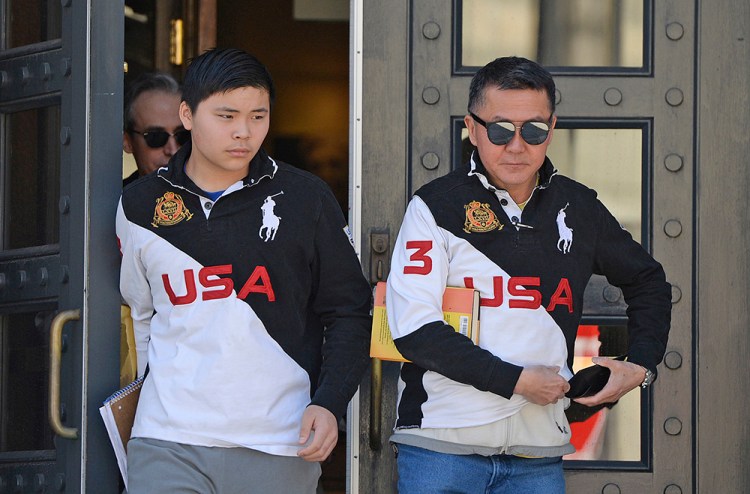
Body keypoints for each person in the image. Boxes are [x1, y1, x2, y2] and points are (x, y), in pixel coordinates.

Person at [386, 56, 671, 493]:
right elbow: (414, 330)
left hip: (537, 457)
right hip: (440, 449)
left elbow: (648, 280)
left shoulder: (579, 208)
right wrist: (517, 382)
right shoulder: (434, 206)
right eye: (501, 130)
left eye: (533, 131)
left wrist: (641, 365)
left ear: (551, 129)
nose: (517, 145)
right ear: (472, 127)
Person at [116, 48, 372, 493]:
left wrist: (329, 403)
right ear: (188, 115)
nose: (243, 132)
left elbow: (350, 311)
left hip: (278, 442)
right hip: (167, 440)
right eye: (227, 115)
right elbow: (140, 316)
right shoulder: (139, 206)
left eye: (258, 116)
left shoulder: (305, 199)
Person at [122, 72, 188, 186]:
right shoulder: (115, 202)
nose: (173, 150)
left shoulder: (221, 198)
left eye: (183, 135)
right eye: (156, 137)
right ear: (127, 142)